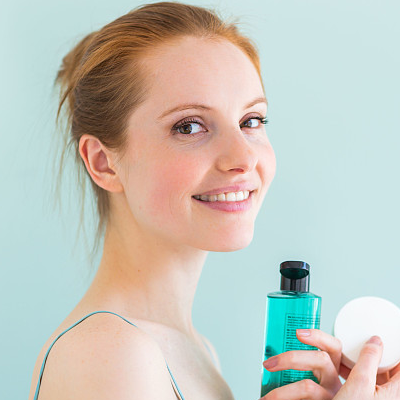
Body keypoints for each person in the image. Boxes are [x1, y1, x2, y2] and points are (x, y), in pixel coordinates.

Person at [29, 2, 400, 399]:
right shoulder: (113, 353)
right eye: (189, 127)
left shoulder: (196, 351)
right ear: (104, 163)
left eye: (251, 121)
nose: (243, 158)